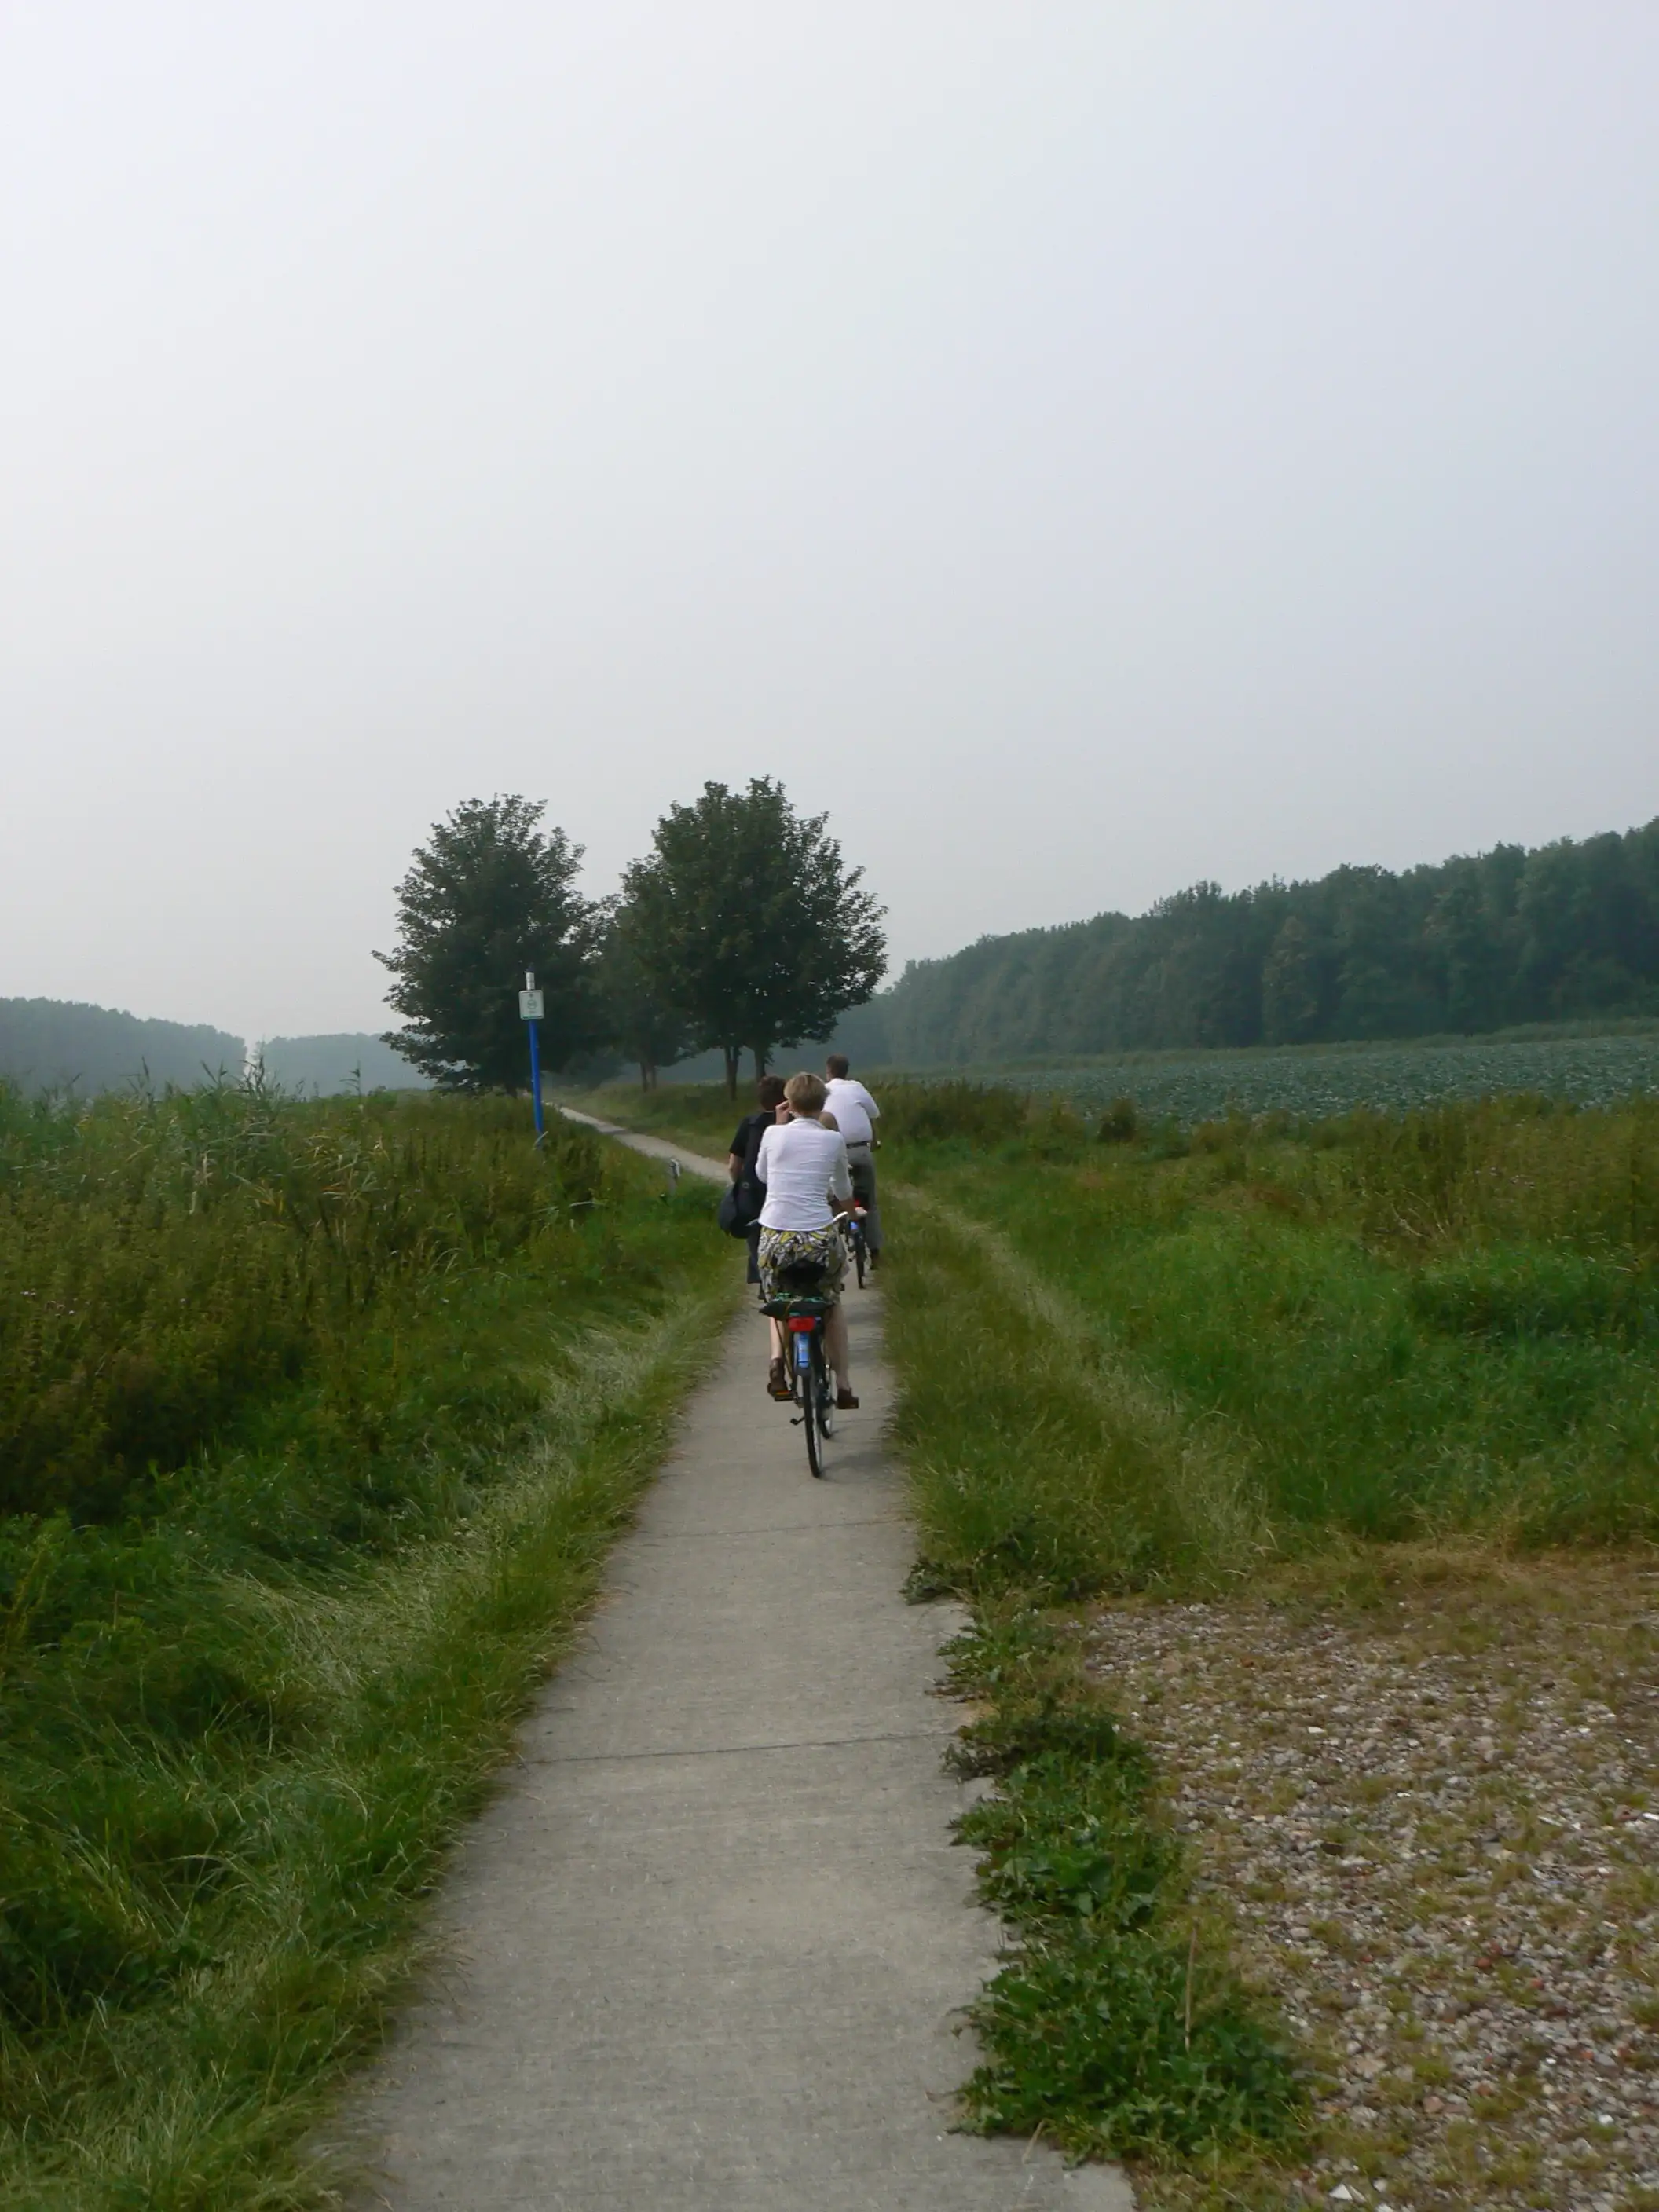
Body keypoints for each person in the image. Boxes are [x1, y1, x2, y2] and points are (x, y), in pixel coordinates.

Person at [753, 1071, 858, 1408]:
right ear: (823, 1103)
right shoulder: (833, 1140)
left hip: (776, 1237)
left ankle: (776, 1365)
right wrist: (852, 1215)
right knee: (831, 1303)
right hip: (818, 1238)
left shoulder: (772, 1133)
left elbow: (763, 1176)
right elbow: (843, 1192)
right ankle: (842, 1385)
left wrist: (780, 1126)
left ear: (789, 1102)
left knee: (777, 1300)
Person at [727, 1075, 787, 1289]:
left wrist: (739, 1186)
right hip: (784, 1193)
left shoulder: (750, 1124)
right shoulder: (792, 1124)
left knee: (756, 1236)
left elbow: (734, 1165)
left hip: (752, 1192)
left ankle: (763, 1277)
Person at [823, 1054, 883, 1267]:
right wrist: (874, 1142)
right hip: (861, 1151)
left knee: (832, 1200)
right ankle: (875, 1253)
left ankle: (833, 1255)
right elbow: (873, 1115)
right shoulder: (857, 1087)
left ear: (828, 1070)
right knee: (871, 1203)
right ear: (847, 1070)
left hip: (836, 1152)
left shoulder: (824, 1091)